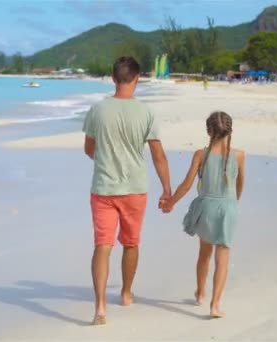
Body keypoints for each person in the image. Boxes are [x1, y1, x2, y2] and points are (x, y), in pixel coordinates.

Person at [83, 56, 171, 325]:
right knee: (131, 243)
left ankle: (99, 307)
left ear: (112, 78)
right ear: (137, 79)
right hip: (135, 189)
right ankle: (126, 293)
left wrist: (107, 159)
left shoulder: (97, 110)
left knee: (103, 245)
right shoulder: (146, 112)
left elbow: (89, 149)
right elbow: (158, 155)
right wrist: (167, 188)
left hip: (104, 188)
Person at [162, 111, 245, 318]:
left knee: (204, 255)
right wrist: (233, 203)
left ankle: (200, 293)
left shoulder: (201, 154)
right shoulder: (239, 155)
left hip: (206, 208)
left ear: (208, 130)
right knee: (223, 258)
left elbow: (187, 185)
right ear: (230, 130)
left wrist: (170, 202)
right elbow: (239, 183)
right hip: (228, 208)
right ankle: (215, 304)